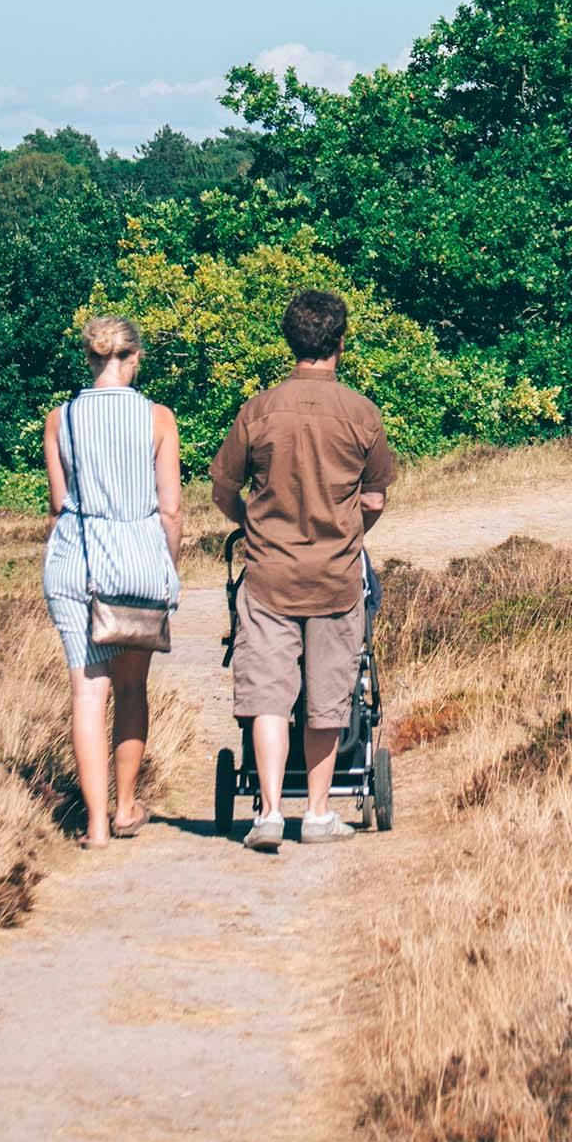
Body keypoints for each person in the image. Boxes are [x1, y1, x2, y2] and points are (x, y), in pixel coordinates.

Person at [210, 287, 398, 849]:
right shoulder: (362, 414)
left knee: (268, 695)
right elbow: (374, 500)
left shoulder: (259, 409)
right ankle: (317, 813)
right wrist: (349, 537)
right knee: (329, 697)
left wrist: (251, 525)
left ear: (290, 340)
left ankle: (268, 812)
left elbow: (223, 488)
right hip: (336, 577)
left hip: (269, 575)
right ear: (341, 342)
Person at [42, 316, 183, 847]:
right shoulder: (158, 419)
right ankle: (126, 808)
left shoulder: (62, 420)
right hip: (138, 562)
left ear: (90, 359)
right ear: (134, 358)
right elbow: (169, 510)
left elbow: (59, 506)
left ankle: (95, 825)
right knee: (130, 686)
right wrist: (167, 570)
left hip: (76, 561)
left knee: (86, 693)